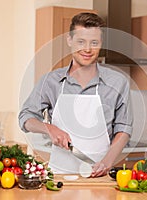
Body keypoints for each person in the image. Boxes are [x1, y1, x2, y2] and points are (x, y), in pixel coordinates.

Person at [19, 12, 133, 177]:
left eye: (94, 42)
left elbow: (124, 129)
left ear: (101, 43)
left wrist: (107, 162)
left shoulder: (117, 82)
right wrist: (49, 128)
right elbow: (25, 117)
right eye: (81, 42)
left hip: (100, 175)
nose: (87, 49)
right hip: (59, 176)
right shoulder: (51, 81)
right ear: (69, 40)